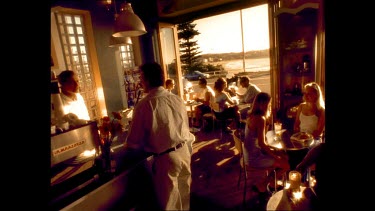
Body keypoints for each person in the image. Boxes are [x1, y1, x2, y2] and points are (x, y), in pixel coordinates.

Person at [124, 62, 195, 210]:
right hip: (184, 152)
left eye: (141, 77)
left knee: (169, 204)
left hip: (166, 159)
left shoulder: (145, 104)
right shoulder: (177, 99)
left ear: (147, 79)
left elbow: (132, 143)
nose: (140, 81)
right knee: (184, 198)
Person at [242, 92, 290, 194]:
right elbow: (262, 143)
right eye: (269, 103)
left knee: (283, 156)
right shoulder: (260, 119)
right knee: (286, 165)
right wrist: (274, 155)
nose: (270, 106)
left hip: (248, 155)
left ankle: (271, 183)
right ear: (263, 104)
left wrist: (274, 152)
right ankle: (264, 184)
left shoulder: (251, 115)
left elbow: (260, 141)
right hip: (254, 158)